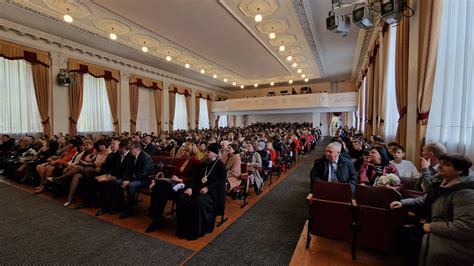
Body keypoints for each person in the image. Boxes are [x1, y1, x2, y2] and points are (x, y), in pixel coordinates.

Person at [390, 154, 474, 266]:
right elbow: (426, 200)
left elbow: (465, 227)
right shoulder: (444, 182)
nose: (440, 167)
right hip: (435, 229)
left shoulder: (466, 192)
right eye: (441, 163)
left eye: (447, 165)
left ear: (460, 170)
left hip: (453, 243)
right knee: (403, 234)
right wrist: (402, 203)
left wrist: (429, 227)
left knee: (409, 240)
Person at [175, 143, 227, 240]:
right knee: (182, 199)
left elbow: (222, 182)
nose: (206, 153)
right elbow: (194, 177)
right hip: (197, 189)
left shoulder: (220, 165)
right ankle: (183, 229)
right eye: (206, 151)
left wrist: (208, 188)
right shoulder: (203, 163)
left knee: (200, 202)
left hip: (212, 193)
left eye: (208, 152)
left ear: (215, 154)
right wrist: (190, 187)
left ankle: (198, 231)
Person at [146, 143, 201, 232]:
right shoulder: (182, 160)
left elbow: (194, 177)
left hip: (186, 186)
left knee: (160, 190)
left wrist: (181, 179)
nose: (183, 151)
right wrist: (174, 177)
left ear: (191, 151)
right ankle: (156, 219)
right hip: (175, 184)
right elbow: (175, 172)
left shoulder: (196, 161)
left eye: (185, 150)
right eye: (184, 149)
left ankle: (156, 219)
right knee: (158, 189)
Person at [117, 141, 154, 219]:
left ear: (137, 149)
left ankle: (129, 209)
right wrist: (124, 180)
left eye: (131, 149)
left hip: (145, 180)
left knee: (131, 185)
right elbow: (127, 171)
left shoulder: (146, 157)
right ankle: (120, 205)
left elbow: (144, 174)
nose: (129, 150)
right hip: (134, 178)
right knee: (116, 182)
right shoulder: (131, 157)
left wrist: (129, 181)